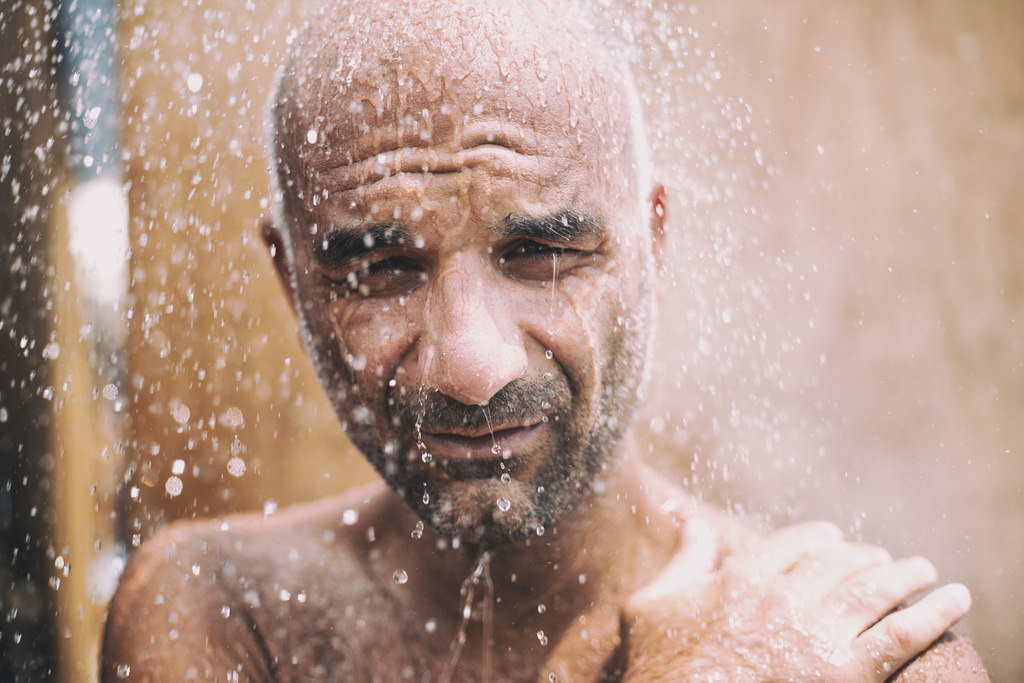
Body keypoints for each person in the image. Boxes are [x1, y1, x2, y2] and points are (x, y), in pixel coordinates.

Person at [101, 0, 990, 680]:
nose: (471, 367)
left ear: (653, 243)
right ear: (293, 280)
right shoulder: (222, 611)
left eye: (542, 252)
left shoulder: (863, 648)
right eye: (382, 270)